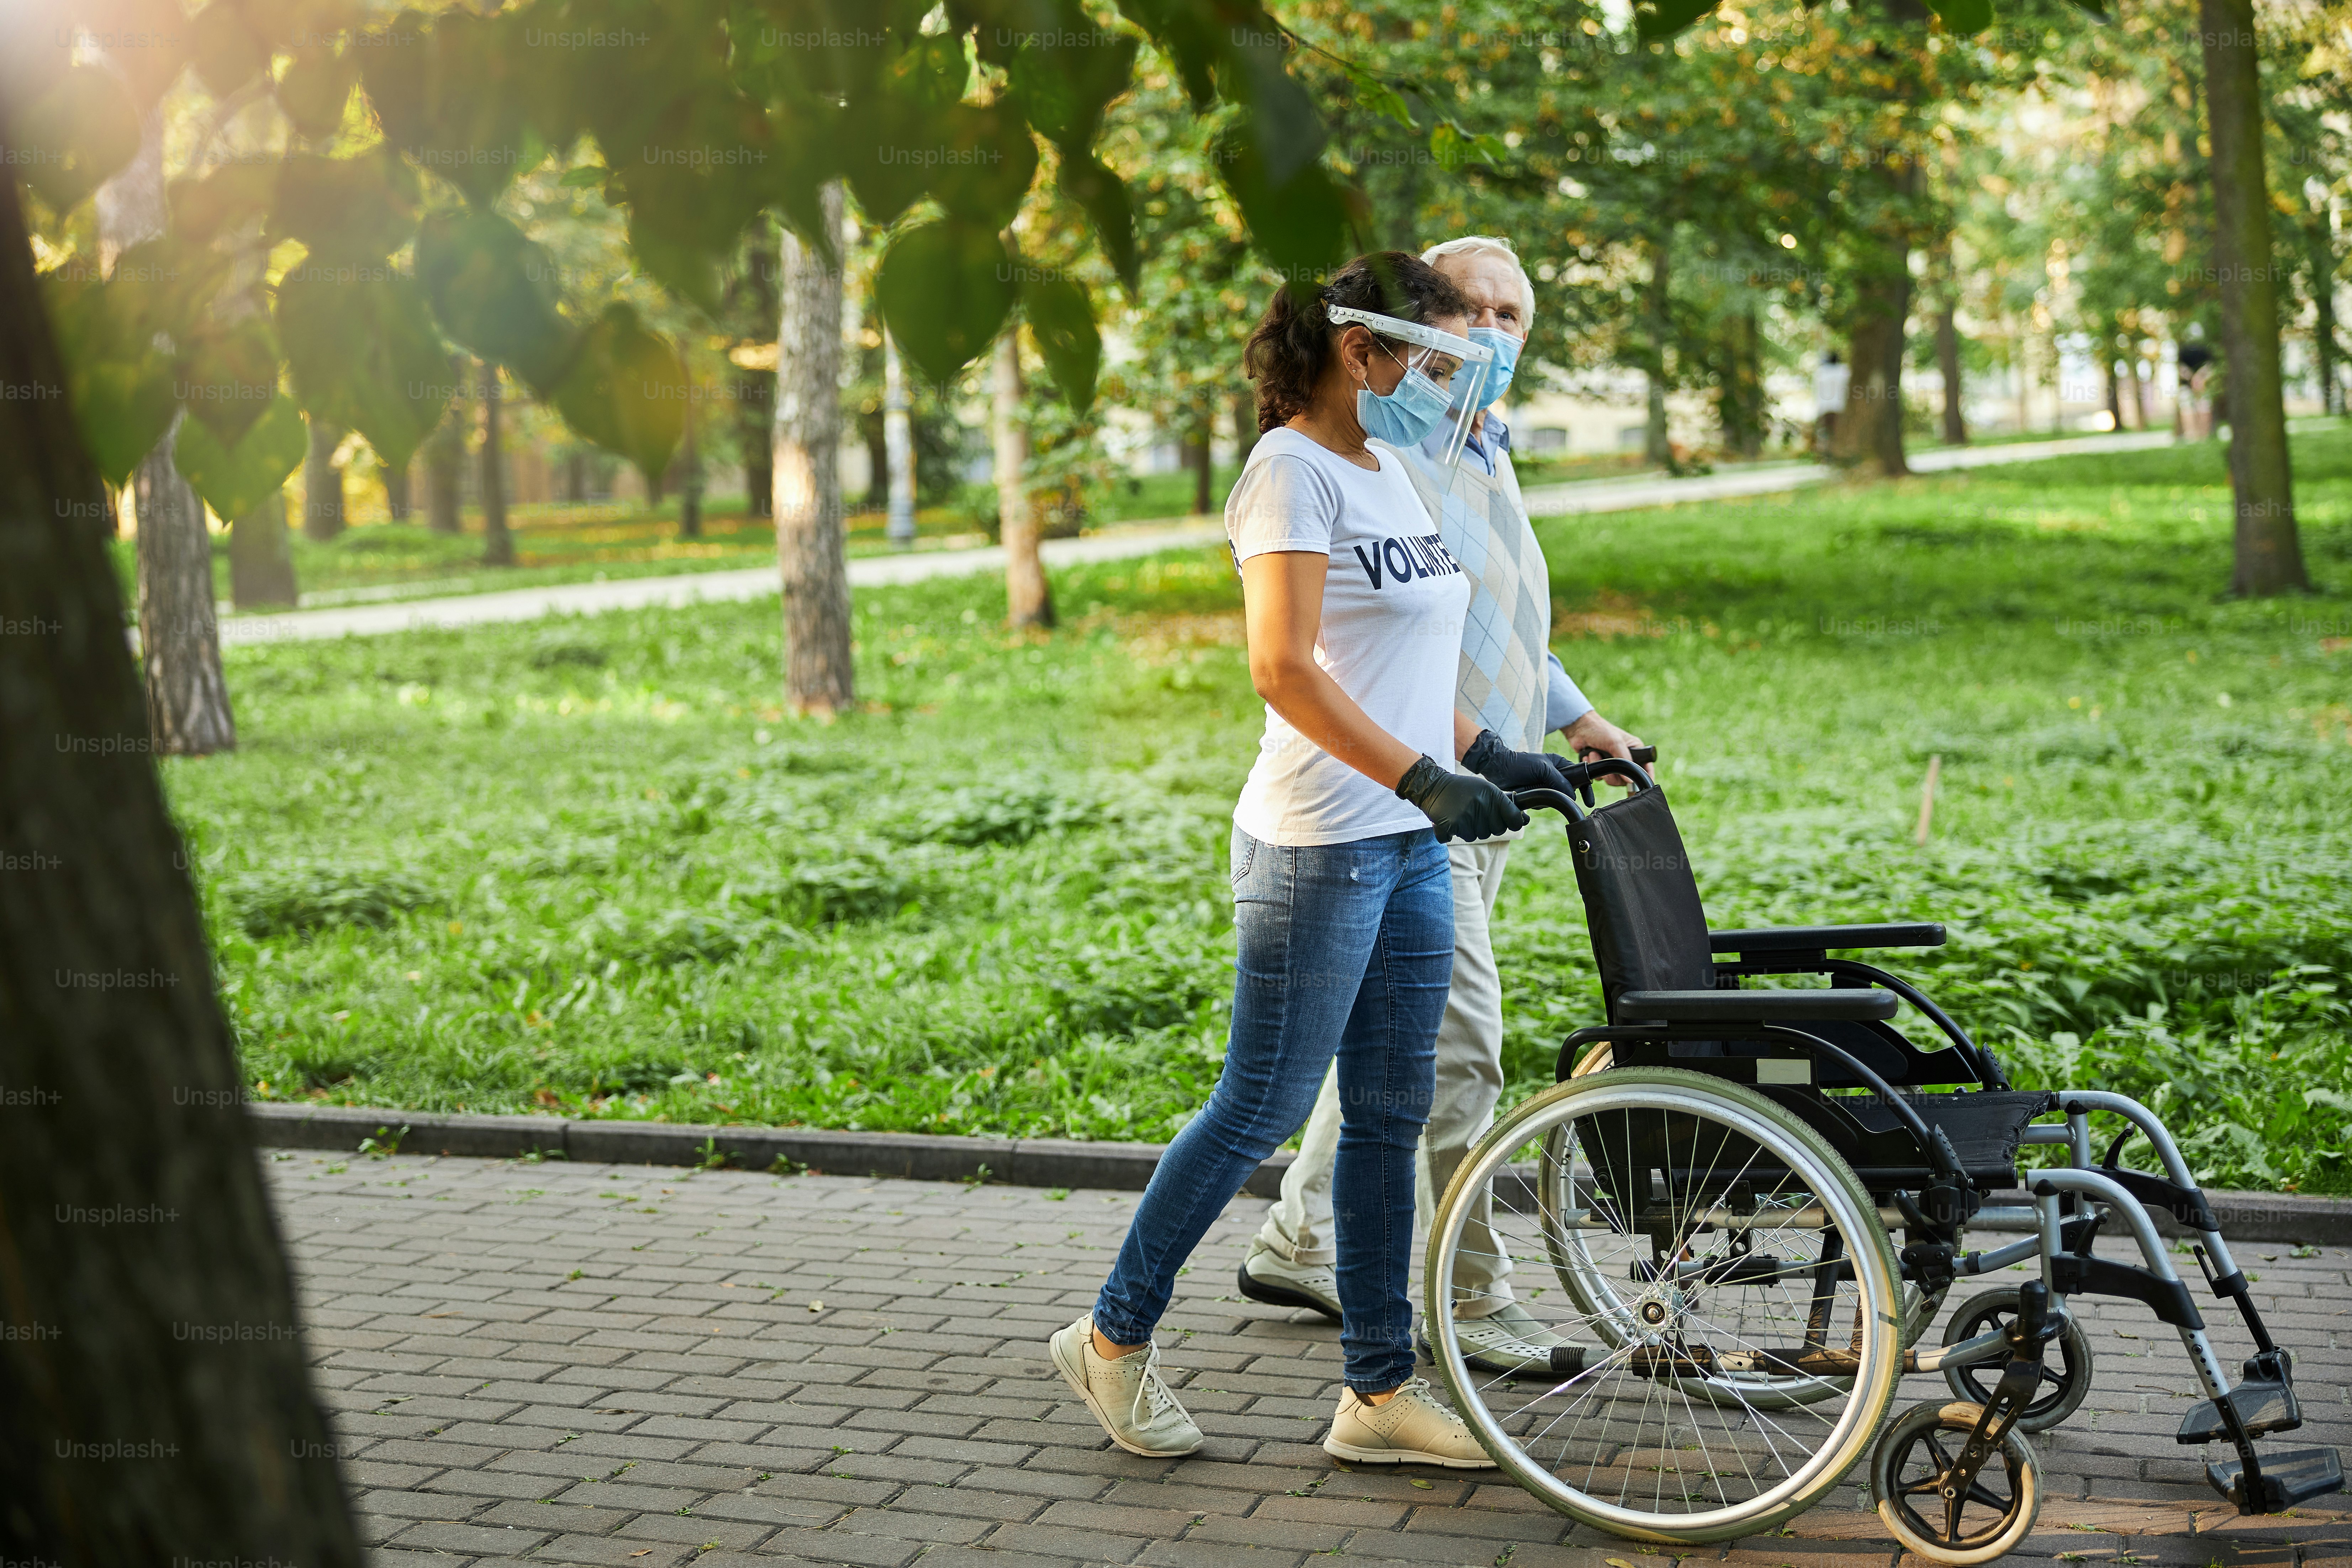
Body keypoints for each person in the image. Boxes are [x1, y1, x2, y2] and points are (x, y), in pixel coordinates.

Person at [1047, 252, 1557, 1468]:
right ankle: (1112, 1340)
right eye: (1431, 360)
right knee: (1260, 1106)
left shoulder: (1389, 470)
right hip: (1319, 845)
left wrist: (1488, 746)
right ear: (1358, 350)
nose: (1444, 384)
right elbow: (1286, 667)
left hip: (1406, 845)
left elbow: (1408, 667)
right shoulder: (1291, 475)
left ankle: (1377, 1390)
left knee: (1387, 1115)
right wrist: (1423, 778)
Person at [1238, 235, 1646, 1376]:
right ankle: (1468, 1292)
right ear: (1410, 332)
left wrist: (1572, 715)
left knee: (1389, 1045)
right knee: (1457, 1050)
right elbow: (1308, 650)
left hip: (1484, 789)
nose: (1497, 338)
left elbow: (1497, 607)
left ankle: (1301, 1236)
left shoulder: (1481, 442)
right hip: (1407, 796)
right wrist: (1433, 768)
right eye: (1475, 312)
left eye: (1518, 317)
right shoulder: (1386, 447)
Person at [1814, 349, 1849, 450]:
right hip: (1839, 406)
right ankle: (1838, 451)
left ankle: (1825, 452)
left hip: (1824, 407)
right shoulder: (1844, 371)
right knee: (1838, 431)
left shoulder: (1821, 372)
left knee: (1824, 432)